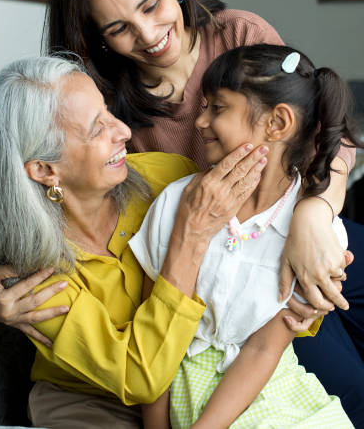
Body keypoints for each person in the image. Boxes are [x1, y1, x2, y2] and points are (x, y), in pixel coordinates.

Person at [0, 0, 363, 422]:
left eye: (151, 6)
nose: (148, 36)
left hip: (283, 227)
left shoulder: (233, 42)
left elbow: (318, 136)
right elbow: (151, 368)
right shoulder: (111, 116)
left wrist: (315, 214)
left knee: (344, 370)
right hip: (193, 307)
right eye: (118, 29)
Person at [0, 55, 272, 429]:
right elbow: (140, 378)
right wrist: (190, 236)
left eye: (108, 111)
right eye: (97, 129)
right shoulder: (33, 274)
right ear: (45, 170)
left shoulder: (167, 176)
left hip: (195, 378)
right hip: (91, 403)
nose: (124, 130)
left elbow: (259, 243)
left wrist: (309, 227)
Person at [129, 44, 362, 428]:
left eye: (217, 108)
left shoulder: (319, 237)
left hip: (274, 395)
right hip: (190, 396)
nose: (200, 122)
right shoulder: (175, 204)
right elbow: (153, 339)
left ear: (278, 123)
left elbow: (262, 350)